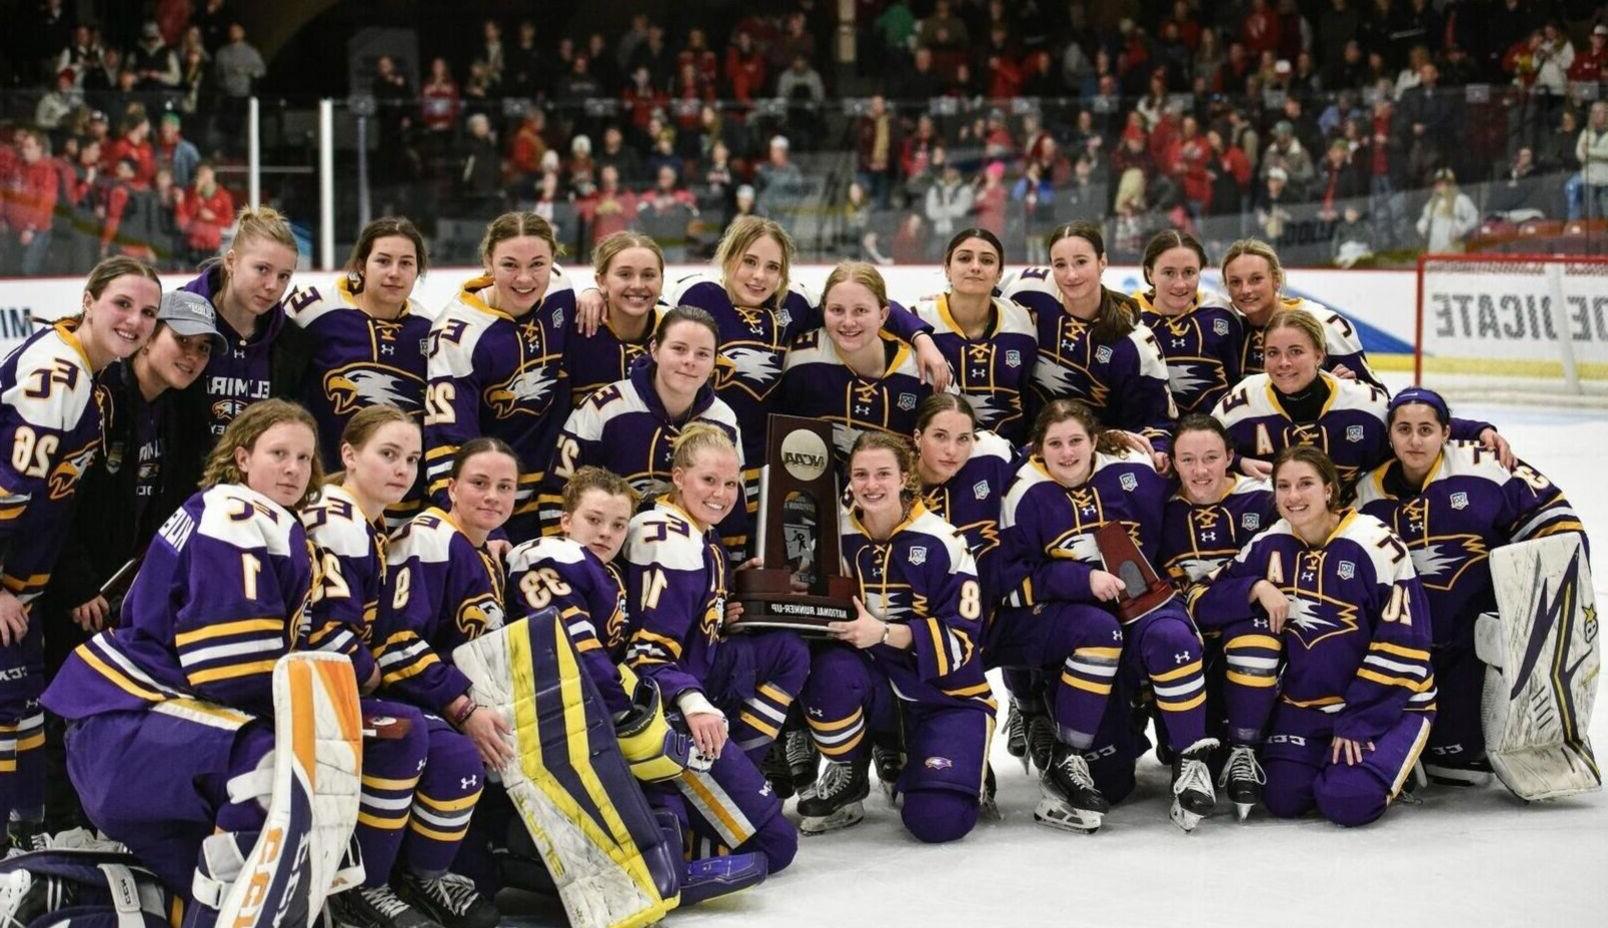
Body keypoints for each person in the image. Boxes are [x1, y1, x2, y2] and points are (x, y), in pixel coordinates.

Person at [41, 401, 320, 911]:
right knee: (272, 766)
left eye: (304, 458)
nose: (293, 468)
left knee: (188, 898)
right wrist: (309, 716)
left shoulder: (220, 507)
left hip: (122, 726)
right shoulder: (236, 512)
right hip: (130, 720)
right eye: (279, 453)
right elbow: (231, 666)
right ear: (242, 457)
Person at [37, 289, 222, 833]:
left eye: (202, 349)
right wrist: (75, 587)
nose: (190, 356)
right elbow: (58, 500)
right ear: (148, 335)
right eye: (180, 341)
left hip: (118, 592)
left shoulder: (178, 406)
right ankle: (55, 829)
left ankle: (94, 823)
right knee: (60, 705)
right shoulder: (101, 399)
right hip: (68, 587)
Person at [301, 406, 488, 928]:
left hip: (340, 678)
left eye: (411, 459)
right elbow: (330, 635)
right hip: (306, 682)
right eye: (388, 454)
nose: (403, 469)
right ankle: (363, 889)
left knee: (454, 752)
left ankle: (423, 877)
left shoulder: (369, 523)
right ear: (349, 455)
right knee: (406, 734)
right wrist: (374, 672)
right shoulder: (338, 519)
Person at [994, 400, 1218, 833]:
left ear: (1095, 440)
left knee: (1174, 640)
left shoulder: (1131, 464)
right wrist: (1081, 581)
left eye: (1076, 440)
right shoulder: (1021, 491)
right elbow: (1011, 580)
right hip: (1081, 625)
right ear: (1038, 448)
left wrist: (1157, 444)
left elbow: (1194, 467)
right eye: (1054, 443)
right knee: (1111, 784)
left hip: (1144, 604)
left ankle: (1192, 759)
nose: (1067, 453)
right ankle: (1055, 734)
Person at [0, 257, 161, 848]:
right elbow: (7, 491)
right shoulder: (61, 374)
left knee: (20, 711)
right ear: (89, 299)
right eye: (122, 304)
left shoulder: (85, 375)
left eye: (147, 312)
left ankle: (26, 847)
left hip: (26, 588)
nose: (135, 320)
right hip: (5, 589)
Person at [1187, 445, 1435, 826]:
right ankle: (1336, 761)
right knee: (1282, 798)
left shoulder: (1376, 544)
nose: (1293, 496)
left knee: (1347, 801)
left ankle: (1379, 765)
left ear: (1329, 490)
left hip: (1390, 701)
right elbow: (1199, 599)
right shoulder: (1269, 543)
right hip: (1306, 706)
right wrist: (1254, 587)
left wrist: (1360, 721)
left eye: (1305, 484)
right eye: (1283, 486)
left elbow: (1405, 642)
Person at [1354, 388, 1586, 786]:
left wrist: (1550, 602)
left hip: (1474, 640)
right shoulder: (1364, 493)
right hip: (1409, 646)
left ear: (1446, 432)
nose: (1414, 440)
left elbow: (1560, 525)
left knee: (1457, 752)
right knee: (1440, 753)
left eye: (1426, 429)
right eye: (1404, 429)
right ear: (1389, 435)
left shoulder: (1485, 466)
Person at [796, 432, 993, 843]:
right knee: (828, 672)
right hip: (875, 687)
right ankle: (852, 767)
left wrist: (884, 632)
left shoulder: (945, 540)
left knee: (939, 820)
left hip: (945, 696)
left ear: (905, 476)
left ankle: (934, 762)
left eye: (883, 473)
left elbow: (963, 639)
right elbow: (804, 599)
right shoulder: (834, 533)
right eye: (861, 474)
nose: (871, 485)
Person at [623, 424, 802, 870]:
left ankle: (734, 766)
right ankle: (680, 839)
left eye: (730, 483)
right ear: (679, 477)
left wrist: (725, 613)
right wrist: (693, 700)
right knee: (777, 847)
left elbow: (687, 622)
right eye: (709, 480)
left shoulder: (702, 534)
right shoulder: (666, 537)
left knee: (787, 650)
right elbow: (644, 654)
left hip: (695, 676)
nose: (721, 494)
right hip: (662, 706)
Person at [373, 439, 513, 928]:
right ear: (450, 486)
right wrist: (461, 708)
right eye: (479, 483)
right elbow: (393, 642)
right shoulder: (430, 537)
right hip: (404, 698)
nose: (492, 496)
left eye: (505, 487)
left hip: (452, 704)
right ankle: (406, 879)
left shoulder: (481, 549)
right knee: (463, 757)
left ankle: (451, 869)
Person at [1211, 310, 1505, 485]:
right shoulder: (1242, 401)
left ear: (1319, 355)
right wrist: (1236, 461)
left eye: (1296, 352)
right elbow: (1196, 444)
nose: (1283, 363)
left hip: (1349, 523)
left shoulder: (1362, 403)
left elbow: (1408, 424)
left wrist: (1479, 430)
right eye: (1273, 353)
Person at [541, 307, 746, 554]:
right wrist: (563, 561)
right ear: (655, 349)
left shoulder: (723, 419)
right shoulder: (605, 407)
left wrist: (731, 568)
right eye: (679, 349)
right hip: (603, 565)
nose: (689, 360)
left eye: (702, 354)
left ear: (714, 361)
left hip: (687, 566)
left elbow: (730, 500)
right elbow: (557, 493)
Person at [424, 212, 576, 544]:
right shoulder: (457, 335)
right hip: (494, 508)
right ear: (487, 262)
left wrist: (596, 296)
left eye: (538, 265)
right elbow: (448, 443)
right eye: (509, 265)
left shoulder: (561, 291)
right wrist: (485, 528)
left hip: (554, 497)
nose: (525, 279)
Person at [1159, 415, 1277, 817]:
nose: (1200, 470)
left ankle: (1245, 750)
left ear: (1231, 456)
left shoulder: (1262, 500)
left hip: (1244, 630)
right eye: (1188, 459)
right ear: (1172, 461)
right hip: (1186, 637)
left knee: (1257, 632)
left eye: (1211, 457)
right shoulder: (1161, 507)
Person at [286, 218, 432, 527]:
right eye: (383, 260)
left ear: (418, 271)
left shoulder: (430, 330)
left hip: (402, 507)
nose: (394, 272)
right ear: (362, 265)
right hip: (324, 498)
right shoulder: (314, 311)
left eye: (406, 263)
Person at [1000, 222, 1177, 471]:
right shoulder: (1028, 289)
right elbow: (981, 298)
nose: (1071, 275)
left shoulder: (1135, 343)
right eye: (1060, 264)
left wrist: (1158, 452)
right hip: (1025, 452)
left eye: (1081, 262)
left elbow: (1156, 423)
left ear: (1102, 262)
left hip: (1091, 457)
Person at [775, 262, 938, 464]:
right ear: (823, 310)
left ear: (884, 315)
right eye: (837, 310)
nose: (848, 322)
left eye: (860, 310)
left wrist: (921, 337)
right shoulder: (799, 358)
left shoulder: (924, 369)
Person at [175, 204, 308, 441]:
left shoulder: (292, 343)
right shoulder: (174, 320)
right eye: (262, 269)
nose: (272, 285)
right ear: (231, 262)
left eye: (283, 276)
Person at [912, 229, 1038, 444]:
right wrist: (920, 337)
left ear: (999, 274)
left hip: (1010, 458)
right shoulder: (920, 318)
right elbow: (881, 309)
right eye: (964, 258)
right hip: (942, 455)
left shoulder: (1023, 322)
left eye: (987, 261)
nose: (975, 267)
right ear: (947, 269)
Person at [1219, 238, 1382, 391]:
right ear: (1226, 286)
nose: (1245, 290)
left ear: (1277, 279)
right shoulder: (1229, 327)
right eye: (1235, 282)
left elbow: (1376, 395)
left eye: (1256, 279)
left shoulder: (1323, 323)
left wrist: (1343, 391)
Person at [1133, 231, 1243, 416]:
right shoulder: (1129, 317)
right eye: (1169, 273)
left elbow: (1237, 381)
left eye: (1189, 272)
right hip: (1152, 436)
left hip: (1216, 435)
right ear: (1150, 273)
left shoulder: (1222, 313)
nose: (1180, 284)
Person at [564, 232, 663, 409]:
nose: (638, 285)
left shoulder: (675, 329)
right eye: (625, 274)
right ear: (601, 281)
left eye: (649, 275)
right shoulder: (572, 332)